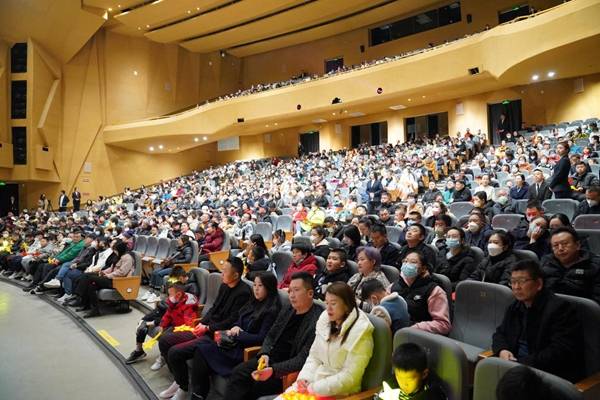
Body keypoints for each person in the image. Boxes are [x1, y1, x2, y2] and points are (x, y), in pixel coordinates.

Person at [165, 273, 282, 400]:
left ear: (269, 288)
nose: (256, 289)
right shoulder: (253, 302)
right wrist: (235, 327)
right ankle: (198, 394)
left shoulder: (271, 310)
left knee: (203, 350)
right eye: (255, 285)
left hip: (243, 351)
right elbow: (239, 319)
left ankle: (198, 394)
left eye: (260, 286)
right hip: (232, 343)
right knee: (201, 351)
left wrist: (239, 334)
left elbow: (261, 338)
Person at [224, 272, 323, 400]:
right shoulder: (288, 308)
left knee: (257, 386)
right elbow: (271, 335)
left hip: (285, 370)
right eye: (290, 291)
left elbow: (302, 358)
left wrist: (274, 370)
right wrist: (264, 353)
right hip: (269, 359)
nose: (291, 295)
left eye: (296, 290)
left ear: (310, 293)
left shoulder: (317, 320)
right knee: (238, 373)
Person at [492, 260, 584, 382]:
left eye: (522, 281)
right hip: (516, 366)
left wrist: (521, 364)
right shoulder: (515, 306)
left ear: (539, 284)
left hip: (545, 372)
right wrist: (502, 350)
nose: (516, 287)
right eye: (513, 282)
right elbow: (500, 333)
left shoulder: (560, 308)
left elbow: (560, 351)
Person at [279, 282, 374, 398]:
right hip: (315, 383)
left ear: (347, 305)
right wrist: (305, 379)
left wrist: (314, 388)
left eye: (333, 304)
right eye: (326, 303)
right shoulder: (326, 319)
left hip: (340, 392)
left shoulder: (361, 331)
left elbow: (350, 377)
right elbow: (314, 357)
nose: (328, 308)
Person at [390, 250, 451, 334]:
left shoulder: (434, 290)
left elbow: (443, 324)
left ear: (423, 268)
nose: (407, 264)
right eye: (405, 261)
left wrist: (413, 328)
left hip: (417, 335)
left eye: (413, 262)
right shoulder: (394, 285)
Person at [73, 240, 135, 318]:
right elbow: (111, 268)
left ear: (120, 249)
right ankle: (94, 309)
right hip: (110, 278)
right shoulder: (118, 256)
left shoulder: (127, 258)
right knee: (90, 282)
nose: (114, 251)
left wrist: (108, 275)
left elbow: (122, 272)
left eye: (115, 250)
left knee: (89, 277)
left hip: (116, 281)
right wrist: (103, 272)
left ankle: (79, 295)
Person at [541, 227, 600, 304]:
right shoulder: (546, 262)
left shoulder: (594, 265)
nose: (560, 248)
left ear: (577, 245)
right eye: (555, 245)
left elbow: (597, 301)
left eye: (565, 244)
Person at [377, 343, 448, 400]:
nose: (404, 384)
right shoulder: (391, 386)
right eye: (399, 377)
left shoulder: (431, 392)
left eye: (409, 379)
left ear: (424, 374)